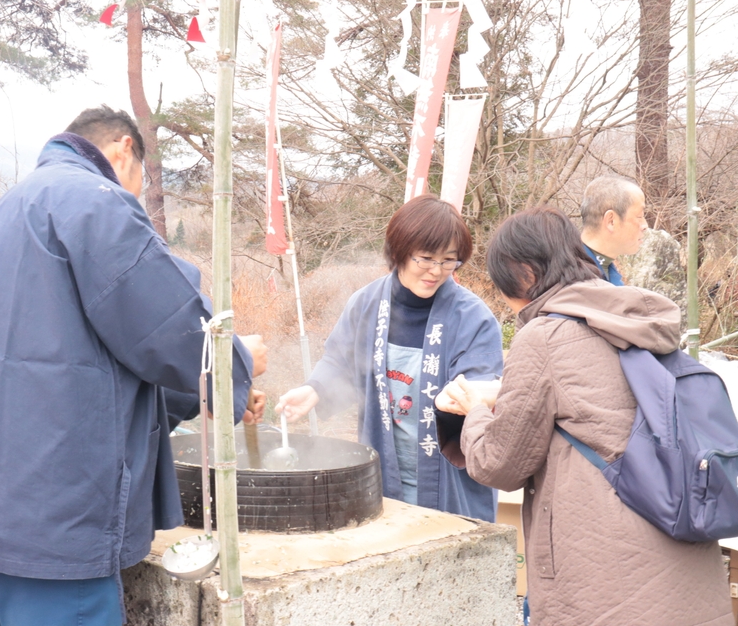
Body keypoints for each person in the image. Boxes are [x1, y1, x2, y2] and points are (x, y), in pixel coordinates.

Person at [0, 106, 267, 626]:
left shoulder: (3, 211)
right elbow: (166, 324)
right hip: (57, 516)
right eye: (141, 179)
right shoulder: (95, 201)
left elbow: (78, 360)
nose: (135, 193)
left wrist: (207, 393)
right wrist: (236, 365)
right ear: (123, 148)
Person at [445, 206, 731, 625]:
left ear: (523, 273)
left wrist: (474, 412)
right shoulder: (635, 318)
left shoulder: (544, 336)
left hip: (608, 585)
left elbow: (499, 464)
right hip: (688, 571)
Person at [275, 195, 503, 521]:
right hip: (383, 475)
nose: (436, 271)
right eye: (425, 259)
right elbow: (341, 362)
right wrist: (314, 390)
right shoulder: (366, 304)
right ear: (398, 251)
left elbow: (479, 392)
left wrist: (461, 398)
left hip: (448, 481)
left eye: (448, 261)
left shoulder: (473, 318)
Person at [578, 175, 649, 285]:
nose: (645, 226)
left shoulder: (606, 269)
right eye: (639, 216)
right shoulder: (573, 277)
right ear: (611, 221)